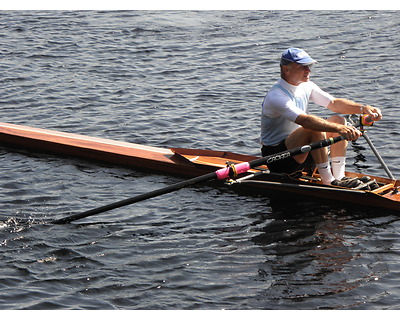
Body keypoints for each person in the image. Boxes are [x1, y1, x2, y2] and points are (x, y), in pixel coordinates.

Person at [260, 48, 382, 187]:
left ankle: (340, 176)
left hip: (301, 151)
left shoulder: (306, 85)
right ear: (286, 69)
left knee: (338, 119)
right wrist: (339, 129)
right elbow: (305, 121)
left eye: (309, 66)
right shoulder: (276, 96)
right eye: (302, 67)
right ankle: (328, 181)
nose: (308, 70)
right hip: (278, 159)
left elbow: (334, 104)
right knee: (313, 127)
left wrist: (363, 108)